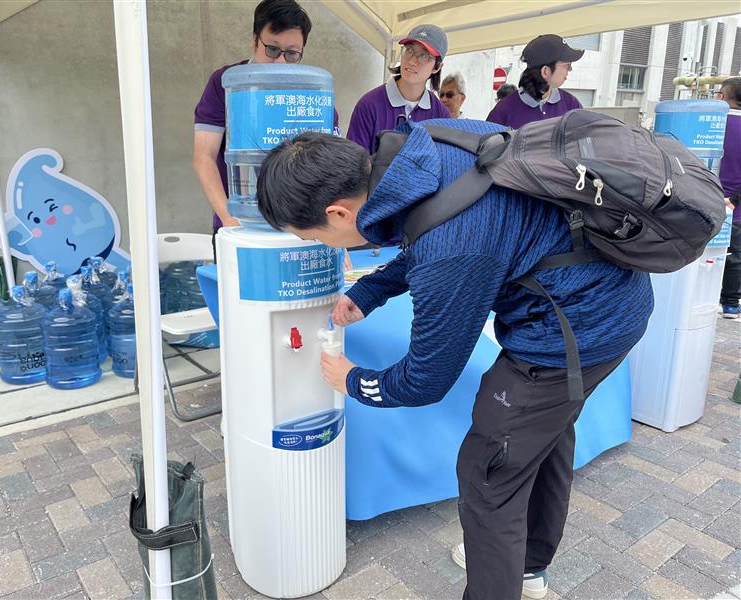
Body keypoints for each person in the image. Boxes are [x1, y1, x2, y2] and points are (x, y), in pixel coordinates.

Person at [254, 121, 653, 600]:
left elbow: (426, 378)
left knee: (490, 469)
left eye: (311, 236)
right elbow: (435, 224)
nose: (318, 246)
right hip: (616, 299)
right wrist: (371, 291)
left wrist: (354, 380)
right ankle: (528, 565)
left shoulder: (450, 251)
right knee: (540, 432)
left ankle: (508, 577)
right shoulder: (432, 143)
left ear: (338, 212)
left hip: (576, 330)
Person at [192, 0, 338, 256]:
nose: (280, 63)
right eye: (272, 49)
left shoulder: (311, 94)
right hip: (242, 223)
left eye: (292, 54)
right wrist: (230, 221)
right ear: (254, 40)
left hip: (300, 229)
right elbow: (203, 156)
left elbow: (331, 169)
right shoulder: (225, 85)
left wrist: (334, 232)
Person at [346, 24, 450, 154]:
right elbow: (353, 164)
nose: (412, 61)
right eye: (409, 51)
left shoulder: (441, 115)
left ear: (437, 67)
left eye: (424, 56)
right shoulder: (368, 105)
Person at [487, 35, 583, 129]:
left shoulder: (571, 105)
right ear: (545, 71)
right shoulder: (503, 111)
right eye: (566, 64)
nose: (570, 69)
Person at [717, 77, 741, 318]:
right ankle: (731, 304)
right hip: (736, 209)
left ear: (721, 97)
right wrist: (735, 200)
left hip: (705, 200)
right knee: (734, 256)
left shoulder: (713, 124)